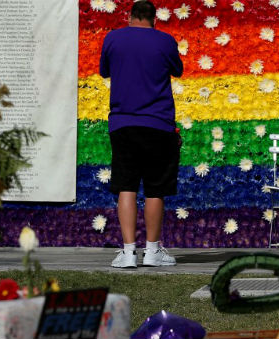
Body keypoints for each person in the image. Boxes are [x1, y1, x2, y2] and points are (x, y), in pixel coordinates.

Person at [99, 0, 183, 268]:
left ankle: (127, 252)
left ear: (130, 16)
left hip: (123, 123)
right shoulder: (165, 40)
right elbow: (178, 71)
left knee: (126, 186)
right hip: (158, 123)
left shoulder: (113, 38)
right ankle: (152, 251)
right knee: (155, 189)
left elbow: (105, 71)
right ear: (154, 19)